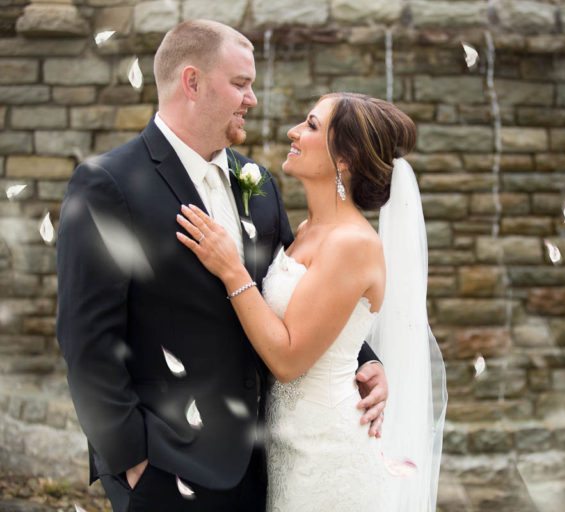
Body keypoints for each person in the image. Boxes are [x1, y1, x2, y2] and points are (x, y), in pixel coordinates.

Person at [56, 21, 387, 512]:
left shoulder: (258, 182)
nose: (251, 99)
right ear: (192, 82)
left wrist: (365, 362)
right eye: (240, 84)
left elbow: (302, 293)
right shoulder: (109, 185)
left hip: (264, 462)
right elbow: (86, 339)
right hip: (167, 466)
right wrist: (132, 460)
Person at [176, 92, 447, 511]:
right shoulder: (305, 229)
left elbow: (287, 360)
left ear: (345, 158)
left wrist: (231, 269)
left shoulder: (352, 244)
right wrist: (369, 361)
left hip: (327, 456)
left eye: (312, 126)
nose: (294, 132)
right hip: (287, 448)